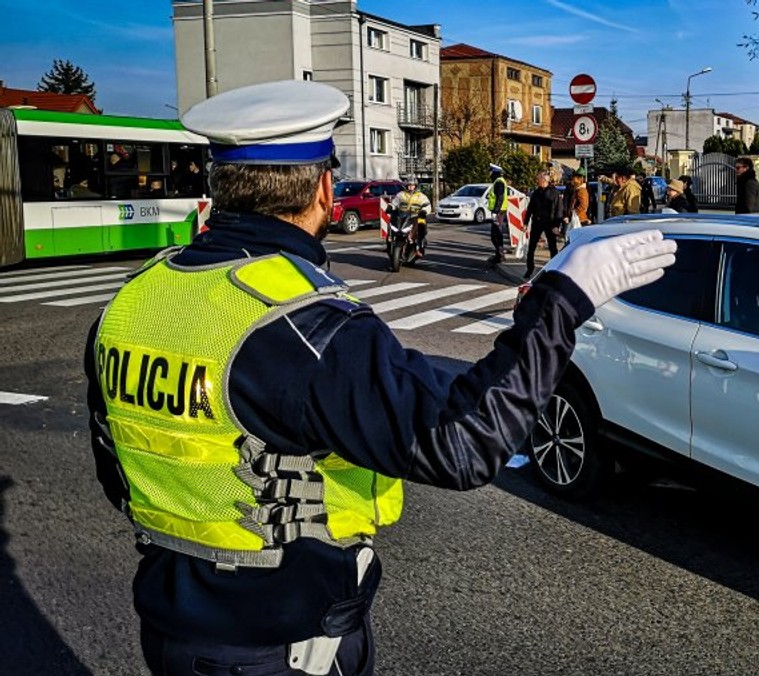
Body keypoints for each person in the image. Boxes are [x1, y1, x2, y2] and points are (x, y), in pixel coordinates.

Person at [83, 80, 677, 676]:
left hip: (171, 626)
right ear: (322, 188)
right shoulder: (300, 323)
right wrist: (560, 302)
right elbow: (465, 444)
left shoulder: (137, 298)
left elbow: (120, 466)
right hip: (284, 643)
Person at [523, 170, 564, 279]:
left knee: (553, 247)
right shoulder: (536, 193)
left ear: (544, 180)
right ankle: (529, 269)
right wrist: (525, 223)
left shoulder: (555, 193)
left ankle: (554, 270)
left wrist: (556, 225)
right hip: (537, 222)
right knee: (531, 247)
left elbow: (559, 211)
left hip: (550, 223)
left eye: (539, 179)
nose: (537, 181)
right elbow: (530, 209)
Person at [390, 177, 431, 256]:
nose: (410, 187)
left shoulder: (421, 196)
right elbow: (394, 203)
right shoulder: (401, 195)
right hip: (403, 216)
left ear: (416, 186)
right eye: (409, 185)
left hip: (417, 216)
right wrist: (390, 207)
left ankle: (420, 248)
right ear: (406, 186)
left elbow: (427, 205)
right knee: (394, 227)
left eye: (412, 185)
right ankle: (390, 243)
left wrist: (424, 211)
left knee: (421, 226)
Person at [486, 163, 509, 264]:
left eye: (491, 172)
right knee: (495, 234)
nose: (489, 174)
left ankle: (500, 256)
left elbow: (500, 197)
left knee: (496, 235)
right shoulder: (498, 181)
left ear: (495, 172)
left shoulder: (499, 182)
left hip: (499, 212)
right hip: (499, 211)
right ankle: (499, 255)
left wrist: (495, 211)